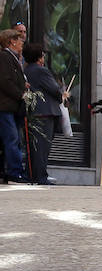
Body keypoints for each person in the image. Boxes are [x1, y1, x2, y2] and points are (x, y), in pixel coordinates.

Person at [22, 42, 65, 185]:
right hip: (45, 112)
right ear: (40, 57)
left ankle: (32, 174)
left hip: (32, 112)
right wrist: (62, 95)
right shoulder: (42, 71)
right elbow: (54, 89)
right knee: (42, 147)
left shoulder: (26, 70)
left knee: (34, 147)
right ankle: (41, 176)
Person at [0, 28, 28, 183]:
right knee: (12, 139)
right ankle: (14, 173)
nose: (22, 43)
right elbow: (5, 81)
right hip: (6, 107)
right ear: (11, 42)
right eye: (19, 40)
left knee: (12, 139)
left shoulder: (13, 58)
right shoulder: (5, 57)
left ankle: (11, 171)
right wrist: (21, 94)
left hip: (11, 107)